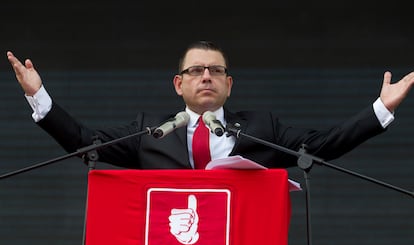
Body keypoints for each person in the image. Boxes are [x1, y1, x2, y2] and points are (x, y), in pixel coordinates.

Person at [6, 41, 414, 170]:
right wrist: (38, 95)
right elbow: (83, 141)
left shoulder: (261, 128)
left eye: (216, 70)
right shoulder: (149, 131)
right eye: (197, 70)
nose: (206, 76)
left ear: (229, 84)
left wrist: (380, 108)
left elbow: (324, 145)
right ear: (178, 83)